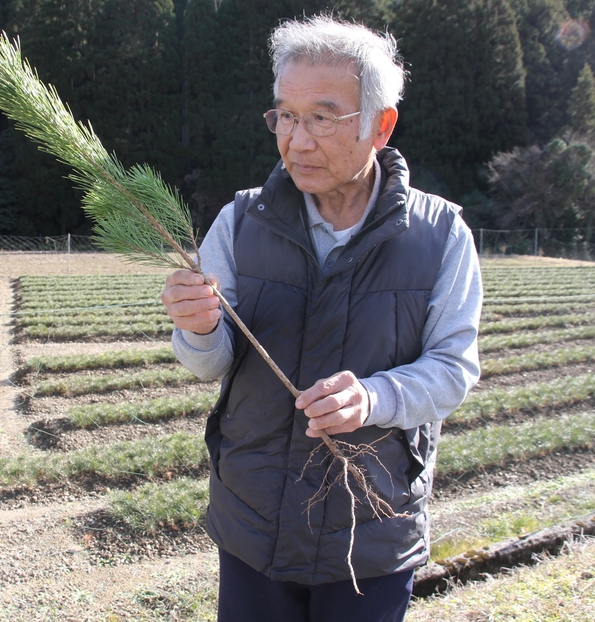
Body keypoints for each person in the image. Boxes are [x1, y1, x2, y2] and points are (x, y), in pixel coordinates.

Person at [160, 15, 482, 622]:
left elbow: (453, 370)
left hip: (372, 531)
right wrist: (198, 327)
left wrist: (374, 397)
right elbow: (211, 362)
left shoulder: (440, 235)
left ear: (380, 125)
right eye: (284, 115)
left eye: (322, 117)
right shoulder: (240, 221)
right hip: (254, 522)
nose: (297, 140)